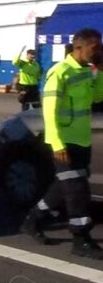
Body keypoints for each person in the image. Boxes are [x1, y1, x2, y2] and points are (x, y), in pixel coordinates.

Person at [22, 28, 103, 260]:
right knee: (78, 190)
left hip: (82, 140)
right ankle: (81, 239)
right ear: (79, 47)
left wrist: (102, 71)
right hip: (63, 143)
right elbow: (49, 111)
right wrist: (57, 144)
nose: (96, 52)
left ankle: (33, 220)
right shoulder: (60, 72)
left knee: (63, 187)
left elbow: (98, 97)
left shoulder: (87, 71)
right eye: (94, 48)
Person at [13, 46, 41, 110]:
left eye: (34, 54)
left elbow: (38, 74)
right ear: (27, 55)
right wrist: (20, 52)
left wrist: (39, 77)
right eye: (31, 54)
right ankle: (24, 117)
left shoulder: (36, 64)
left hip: (34, 86)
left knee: (37, 104)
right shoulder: (23, 63)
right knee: (25, 104)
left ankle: (38, 117)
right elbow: (15, 61)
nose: (33, 56)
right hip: (25, 86)